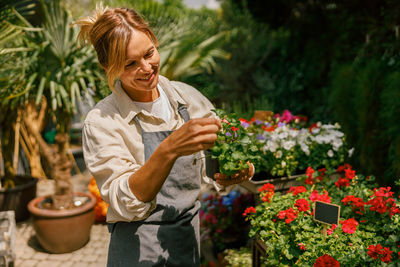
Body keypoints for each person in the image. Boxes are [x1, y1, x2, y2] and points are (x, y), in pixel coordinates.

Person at [74, 5, 254, 266]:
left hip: (186, 244)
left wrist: (237, 171)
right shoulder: (102, 121)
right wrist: (169, 149)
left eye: (149, 53)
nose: (147, 68)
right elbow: (125, 201)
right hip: (138, 251)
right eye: (130, 64)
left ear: (155, 42)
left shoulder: (186, 97)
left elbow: (218, 153)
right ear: (107, 66)